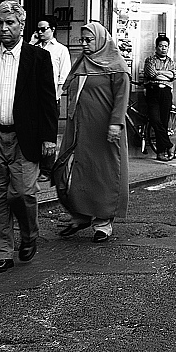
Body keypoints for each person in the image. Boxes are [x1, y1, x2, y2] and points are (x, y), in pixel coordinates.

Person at [0, 1, 58, 273]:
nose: (4, 28)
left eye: (11, 23)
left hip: (24, 137)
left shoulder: (39, 59)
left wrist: (48, 137)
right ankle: (2, 253)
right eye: (0, 23)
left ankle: (29, 235)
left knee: (22, 193)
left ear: (21, 25)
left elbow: (47, 101)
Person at [56, 22, 130, 243]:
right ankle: (80, 216)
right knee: (75, 171)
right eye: (83, 40)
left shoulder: (117, 65)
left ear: (101, 40)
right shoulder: (83, 62)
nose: (85, 45)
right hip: (80, 127)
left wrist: (116, 123)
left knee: (104, 173)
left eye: (89, 40)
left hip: (105, 130)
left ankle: (103, 223)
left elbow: (121, 96)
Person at [30, 15, 72, 182]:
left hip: (51, 96)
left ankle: (46, 169)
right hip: (33, 96)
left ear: (52, 29)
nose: (40, 32)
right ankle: (33, 165)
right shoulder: (33, 47)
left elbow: (64, 76)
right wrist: (32, 42)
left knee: (49, 132)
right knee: (33, 130)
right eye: (38, 29)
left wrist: (56, 96)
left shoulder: (60, 49)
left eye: (43, 29)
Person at [143, 35, 176, 161]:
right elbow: (152, 74)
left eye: (165, 46)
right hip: (153, 91)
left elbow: (175, 74)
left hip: (166, 93)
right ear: (156, 47)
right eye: (161, 46)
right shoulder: (150, 60)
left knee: (163, 123)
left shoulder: (171, 62)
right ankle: (169, 145)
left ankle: (161, 152)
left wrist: (160, 73)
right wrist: (166, 74)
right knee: (154, 120)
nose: (163, 48)